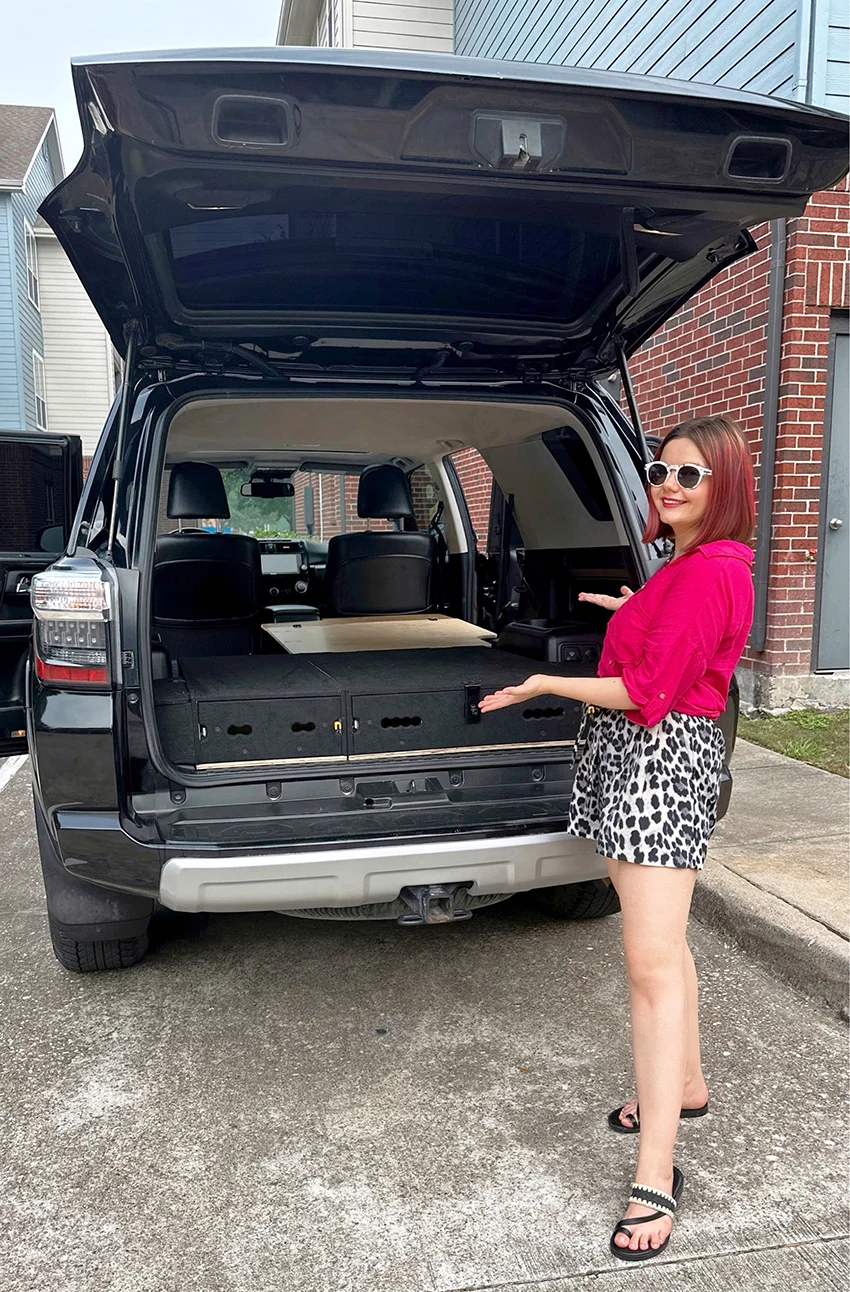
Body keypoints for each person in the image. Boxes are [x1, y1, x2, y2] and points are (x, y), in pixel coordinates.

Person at [479, 415, 756, 1264]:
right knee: (666, 949)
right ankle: (687, 1083)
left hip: (658, 762)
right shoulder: (685, 567)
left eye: (689, 475)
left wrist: (543, 682)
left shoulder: (708, 571)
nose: (668, 485)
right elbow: (680, 643)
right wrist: (639, 607)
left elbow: (647, 693)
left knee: (650, 968)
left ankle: (656, 1174)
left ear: (726, 487)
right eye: (661, 470)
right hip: (638, 758)